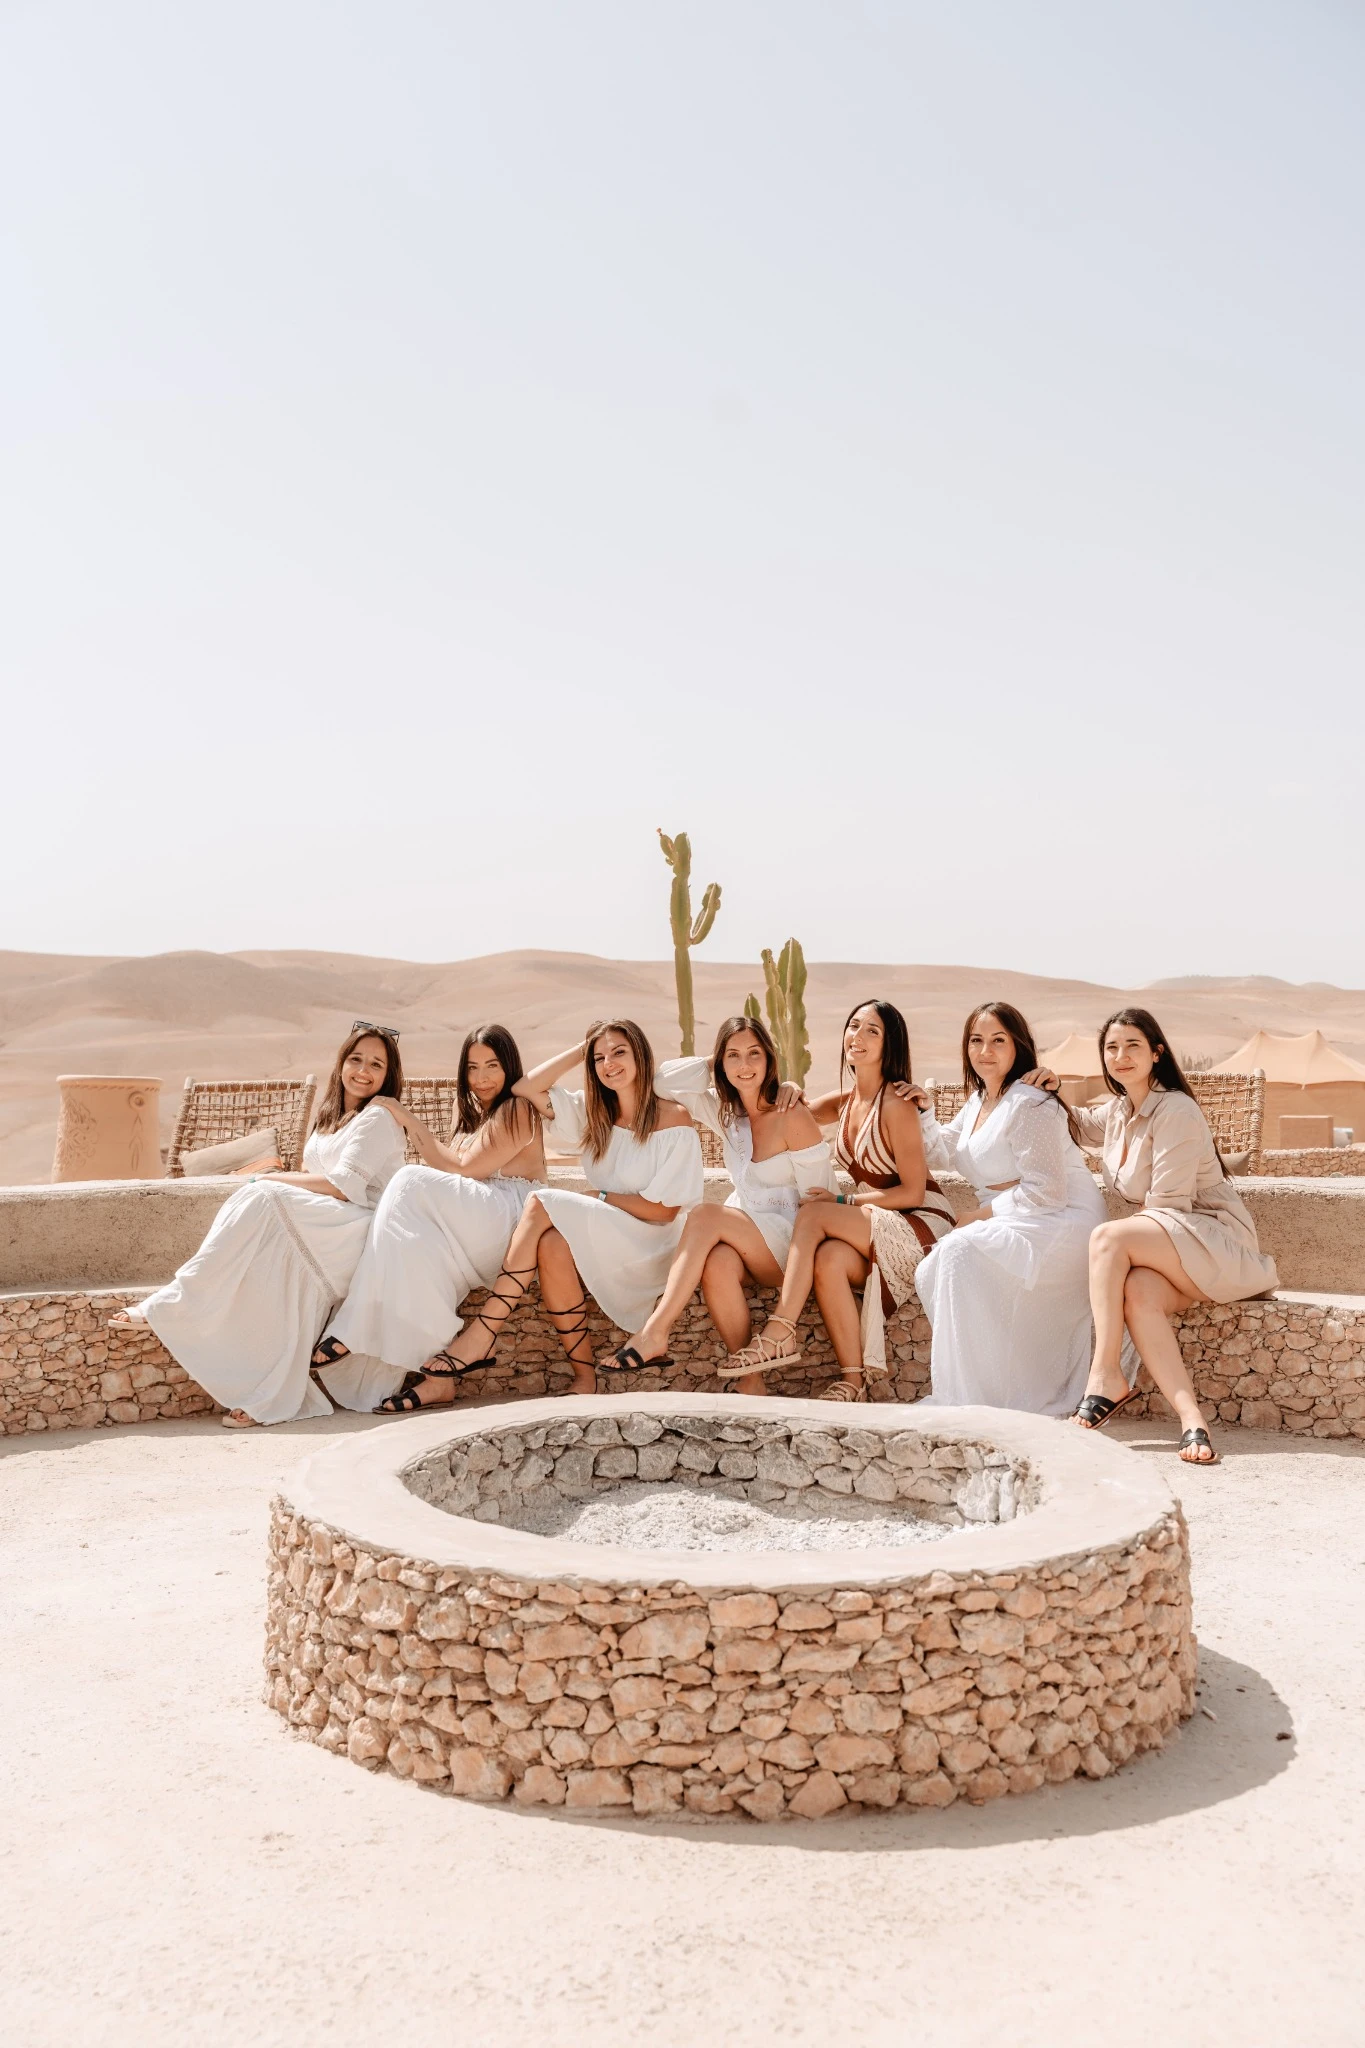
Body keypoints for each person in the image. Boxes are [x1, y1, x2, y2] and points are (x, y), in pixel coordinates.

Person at [113, 1023, 406, 1426]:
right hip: (329, 1221)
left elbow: (342, 1186)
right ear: (342, 1062)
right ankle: (268, 1395)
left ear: (389, 1075)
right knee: (271, 1273)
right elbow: (313, 1171)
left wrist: (268, 1178)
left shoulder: (378, 1118)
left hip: (362, 1228)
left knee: (262, 1194)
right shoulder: (331, 1115)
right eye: (356, 1059)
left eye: (376, 1064)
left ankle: (178, 1299)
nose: (364, 1071)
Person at [411, 1019, 703, 1400]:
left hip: (651, 1242)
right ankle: (585, 1375)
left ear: (641, 1056)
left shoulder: (673, 1117)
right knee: (551, 1244)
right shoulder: (593, 1114)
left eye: (619, 1053)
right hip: (610, 1232)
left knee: (540, 1202)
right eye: (599, 1058)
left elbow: (665, 1212)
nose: (608, 1064)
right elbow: (525, 1087)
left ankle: (483, 1332)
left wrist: (598, 1196)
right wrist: (583, 1048)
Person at [1044, 1008, 1278, 1465]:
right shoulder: (1117, 1112)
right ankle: (1192, 1419)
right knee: (1137, 1290)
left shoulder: (1176, 1108)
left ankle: (1104, 1376)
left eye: (1132, 1045)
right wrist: (1035, 1085)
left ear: (1157, 1052)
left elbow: (1169, 1204)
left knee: (1107, 1239)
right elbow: (1071, 1122)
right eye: (1111, 1047)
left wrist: (1130, 1243)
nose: (1120, 1055)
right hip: (1172, 1247)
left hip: (1217, 1244)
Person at [726, 1000, 956, 1402]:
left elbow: (913, 1192)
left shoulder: (897, 1104)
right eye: (854, 1026)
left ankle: (781, 1328)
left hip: (919, 1220)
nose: (858, 1036)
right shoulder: (846, 1100)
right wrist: (789, 1087)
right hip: (877, 1220)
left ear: (891, 1045)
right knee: (829, 1259)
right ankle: (854, 1381)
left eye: (873, 1031)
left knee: (814, 1213)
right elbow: (791, 1114)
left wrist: (842, 1199)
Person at [312, 1024, 547, 1414]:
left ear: (510, 1067)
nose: (482, 1077)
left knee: (407, 1180)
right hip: (478, 1224)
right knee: (416, 1250)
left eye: (492, 1066)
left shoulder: (519, 1108)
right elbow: (451, 1168)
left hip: (512, 1217)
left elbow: (465, 1169)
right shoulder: (474, 1116)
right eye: (472, 1068)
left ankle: (353, 1324)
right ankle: (438, 1382)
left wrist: (402, 1114)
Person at [615, 1015, 836, 1389]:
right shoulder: (725, 1111)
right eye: (733, 1056)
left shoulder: (791, 1114)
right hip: (750, 1239)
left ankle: (655, 1331)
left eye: (754, 1054)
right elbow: (659, 1081)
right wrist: (714, 1063)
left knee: (703, 1215)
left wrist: (786, 1084)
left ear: (769, 1059)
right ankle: (750, 1380)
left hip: (796, 1244)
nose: (745, 1065)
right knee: (716, 1263)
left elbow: (818, 1204)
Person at [913, 1002, 1107, 1416]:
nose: (986, 1050)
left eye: (998, 1040)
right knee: (936, 1264)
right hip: (1015, 1212)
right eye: (976, 1040)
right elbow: (944, 1150)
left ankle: (975, 1398)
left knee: (961, 1251)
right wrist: (925, 1111)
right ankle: (973, 1391)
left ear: (1018, 1045)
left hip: (1061, 1216)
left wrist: (980, 1216)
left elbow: (1046, 1191)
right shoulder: (980, 1100)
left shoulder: (1031, 1101)